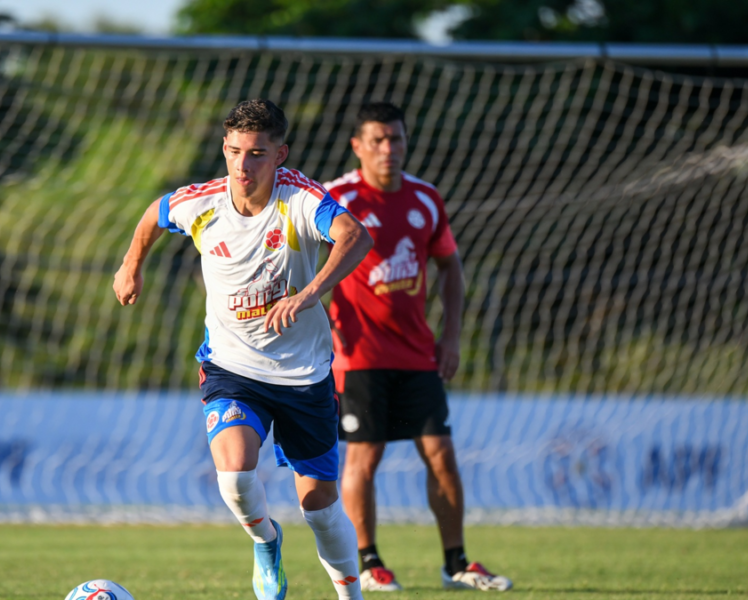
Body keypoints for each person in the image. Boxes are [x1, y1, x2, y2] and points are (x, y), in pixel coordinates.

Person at [113, 99, 374, 600]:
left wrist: (309, 293)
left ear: (280, 154)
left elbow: (355, 237)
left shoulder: (300, 199)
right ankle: (265, 541)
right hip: (232, 367)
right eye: (234, 151)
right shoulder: (203, 203)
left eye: (257, 153)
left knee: (320, 509)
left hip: (303, 374)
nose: (242, 165)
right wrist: (131, 265)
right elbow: (155, 213)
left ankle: (350, 597)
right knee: (234, 474)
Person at [325, 102, 513, 593]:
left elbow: (450, 266)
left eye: (397, 139)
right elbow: (301, 259)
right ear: (358, 146)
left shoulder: (425, 198)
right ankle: (369, 563)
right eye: (378, 140)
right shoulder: (336, 197)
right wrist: (318, 322)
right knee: (364, 458)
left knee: (441, 455)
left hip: (417, 354)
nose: (389, 148)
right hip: (359, 355)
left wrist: (450, 337)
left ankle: (456, 563)